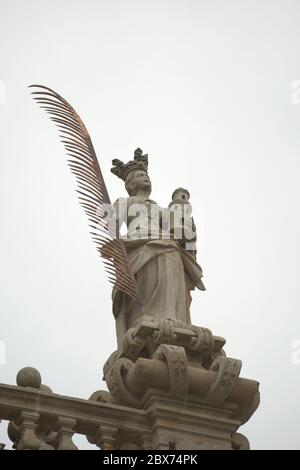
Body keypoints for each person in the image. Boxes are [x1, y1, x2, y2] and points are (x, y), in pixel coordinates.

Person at [110, 148, 205, 346]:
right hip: (139, 245)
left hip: (167, 246)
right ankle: (146, 320)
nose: (145, 178)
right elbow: (111, 228)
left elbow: (179, 233)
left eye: (146, 175)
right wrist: (109, 220)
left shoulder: (161, 209)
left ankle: (173, 318)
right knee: (150, 282)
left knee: (171, 262)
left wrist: (185, 221)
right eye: (139, 175)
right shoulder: (125, 202)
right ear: (130, 184)